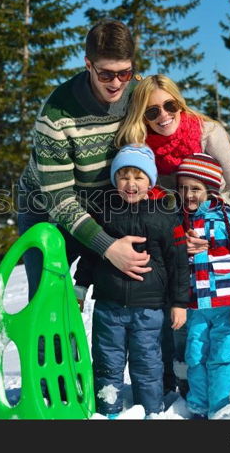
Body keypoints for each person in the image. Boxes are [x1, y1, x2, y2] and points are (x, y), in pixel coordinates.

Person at [115, 74, 230, 387]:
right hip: (188, 232)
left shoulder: (206, 132)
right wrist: (177, 239)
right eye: (152, 111)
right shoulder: (142, 149)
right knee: (182, 298)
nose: (164, 115)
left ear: (179, 103)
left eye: (169, 105)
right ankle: (184, 376)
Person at [17, 19, 152, 301]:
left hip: (108, 203)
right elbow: (59, 200)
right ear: (88, 64)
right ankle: (52, 346)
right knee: (50, 302)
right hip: (47, 211)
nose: (116, 83)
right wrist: (108, 247)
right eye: (105, 74)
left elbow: (176, 119)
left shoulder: (137, 89)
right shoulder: (56, 113)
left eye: (124, 73)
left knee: (129, 295)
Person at [73, 144, 189, 418]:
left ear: (150, 181)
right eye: (124, 176)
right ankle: (108, 410)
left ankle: (151, 410)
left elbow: (178, 263)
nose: (131, 183)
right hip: (108, 306)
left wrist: (179, 303)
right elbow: (91, 254)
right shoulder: (104, 213)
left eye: (139, 177)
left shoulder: (163, 216)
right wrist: (80, 286)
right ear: (115, 180)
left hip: (149, 308)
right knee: (107, 361)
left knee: (148, 363)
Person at [175, 153, 230, 418]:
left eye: (195, 189)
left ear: (210, 189)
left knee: (223, 355)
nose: (188, 194)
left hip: (229, 304)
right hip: (197, 305)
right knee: (196, 355)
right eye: (182, 188)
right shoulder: (179, 222)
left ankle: (224, 408)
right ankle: (199, 407)